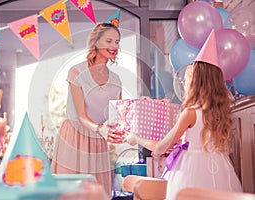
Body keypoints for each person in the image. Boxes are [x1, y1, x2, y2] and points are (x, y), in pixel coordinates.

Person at [124, 30, 242, 200]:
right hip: (221, 167)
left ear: (196, 82)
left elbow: (159, 148)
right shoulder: (222, 112)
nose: (185, 82)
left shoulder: (190, 113)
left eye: (187, 79)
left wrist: (136, 138)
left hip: (191, 170)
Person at [51, 22, 122, 197]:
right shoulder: (76, 72)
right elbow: (81, 116)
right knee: (71, 194)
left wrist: (138, 106)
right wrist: (100, 128)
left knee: (96, 194)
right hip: (75, 137)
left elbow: (117, 116)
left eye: (117, 42)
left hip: (98, 141)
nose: (114, 46)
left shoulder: (116, 79)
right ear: (96, 42)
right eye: (109, 41)